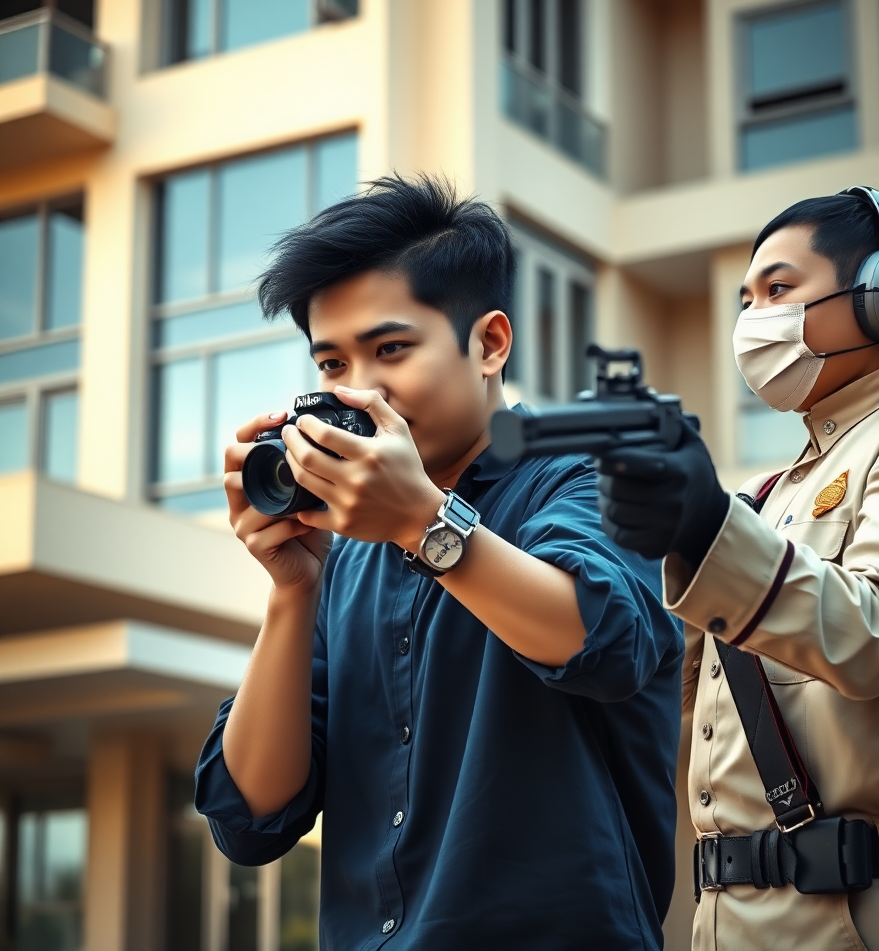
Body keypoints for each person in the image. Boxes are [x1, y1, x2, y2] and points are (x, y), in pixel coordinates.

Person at [194, 175, 685, 951]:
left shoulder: (591, 474)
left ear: (489, 343)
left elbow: (602, 637)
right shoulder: (347, 552)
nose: (357, 392)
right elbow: (252, 812)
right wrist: (293, 589)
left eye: (391, 349)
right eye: (330, 365)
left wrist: (424, 525)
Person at [596, 187, 879, 950]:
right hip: (727, 918)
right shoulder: (770, 496)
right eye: (746, 297)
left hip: (860, 913)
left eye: (779, 289)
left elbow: (876, 632)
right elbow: (683, 713)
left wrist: (708, 525)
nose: (753, 318)